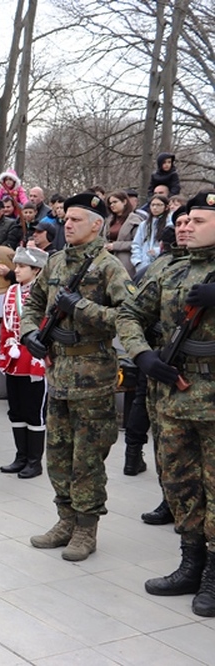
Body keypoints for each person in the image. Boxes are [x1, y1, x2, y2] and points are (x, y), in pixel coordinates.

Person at [116, 191, 215, 616]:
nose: (185, 225)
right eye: (184, 218)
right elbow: (128, 312)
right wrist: (143, 355)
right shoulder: (165, 265)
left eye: (198, 219)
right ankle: (190, 563)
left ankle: (213, 574)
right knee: (180, 483)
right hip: (172, 397)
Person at [20, 193, 133, 562]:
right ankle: (65, 519)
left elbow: (129, 317)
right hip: (59, 372)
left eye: (76, 219)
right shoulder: (54, 262)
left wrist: (81, 308)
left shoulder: (109, 267)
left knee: (87, 457)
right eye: (65, 219)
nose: (67, 224)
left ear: (97, 224)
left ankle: (87, 527)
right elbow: (33, 303)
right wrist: (29, 333)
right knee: (57, 453)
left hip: (93, 376)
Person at [0, 246, 50, 478]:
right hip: (15, 358)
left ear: (36, 270)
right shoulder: (12, 292)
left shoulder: (45, 294)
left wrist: (42, 359)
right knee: (15, 410)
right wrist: (5, 352)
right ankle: (21, 456)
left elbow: (46, 328)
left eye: (21, 266)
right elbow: (8, 327)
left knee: (33, 411)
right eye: (16, 265)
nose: (15, 270)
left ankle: (34, 460)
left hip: (34, 359)